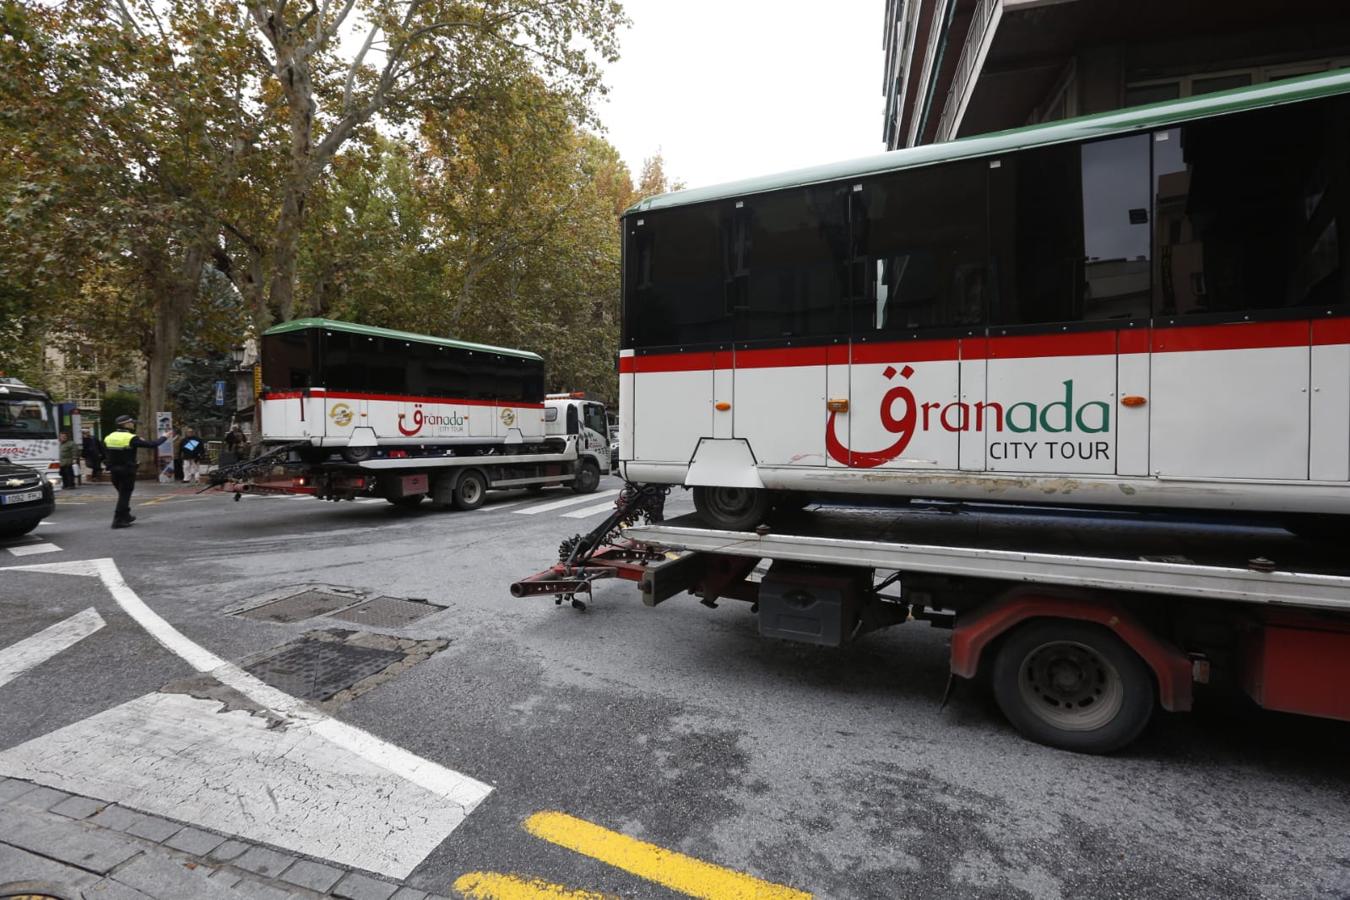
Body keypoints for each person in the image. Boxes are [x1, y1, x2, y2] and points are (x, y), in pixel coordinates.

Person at [103, 415, 168, 529]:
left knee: (123, 495)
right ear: (126, 424)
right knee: (124, 496)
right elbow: (152, 445)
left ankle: (126, 516)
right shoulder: (131, 438)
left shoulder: (109, 437)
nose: (133, 424)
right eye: (132, 422)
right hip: (127, 471)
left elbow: (106, 453)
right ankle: (117, 521)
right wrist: (164, 437)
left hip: (114, 471)